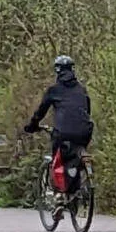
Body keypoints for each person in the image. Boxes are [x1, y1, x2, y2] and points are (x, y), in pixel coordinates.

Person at [23, 55, 94, 189]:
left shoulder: (54, 90)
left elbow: (41, 111)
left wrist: (32, 126)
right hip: (85, 131)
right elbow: (87, 110)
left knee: (59, 160)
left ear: (57, 71)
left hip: (63, 133)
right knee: (76, 155)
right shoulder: (81, 89)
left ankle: (60, 193)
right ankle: (76, 187)